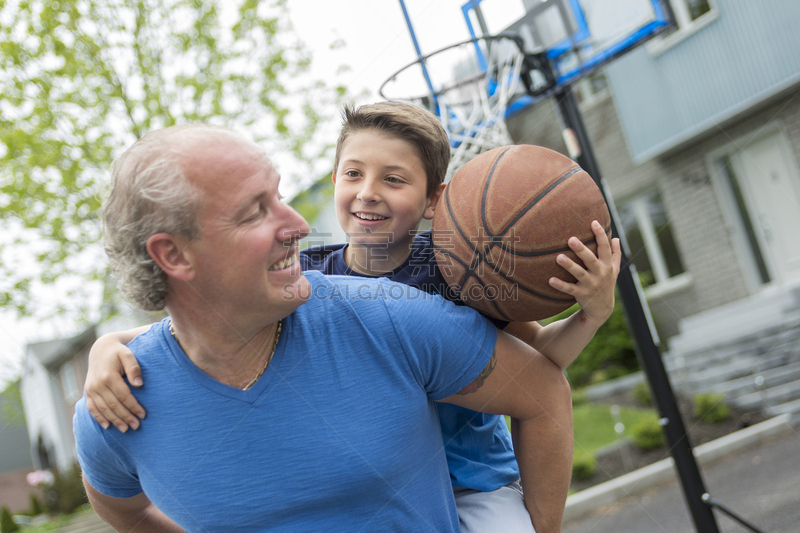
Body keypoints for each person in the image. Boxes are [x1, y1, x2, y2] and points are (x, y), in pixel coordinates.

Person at [85, 103, 622, 531]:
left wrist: (590, 317)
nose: (368, 192)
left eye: (393, 179)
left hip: (473, 480)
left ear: (435, 200)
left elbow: (539, 370)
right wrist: (109, 344)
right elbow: (201, 326)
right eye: (353, 173)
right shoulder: (309, 275)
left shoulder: (456, 275)